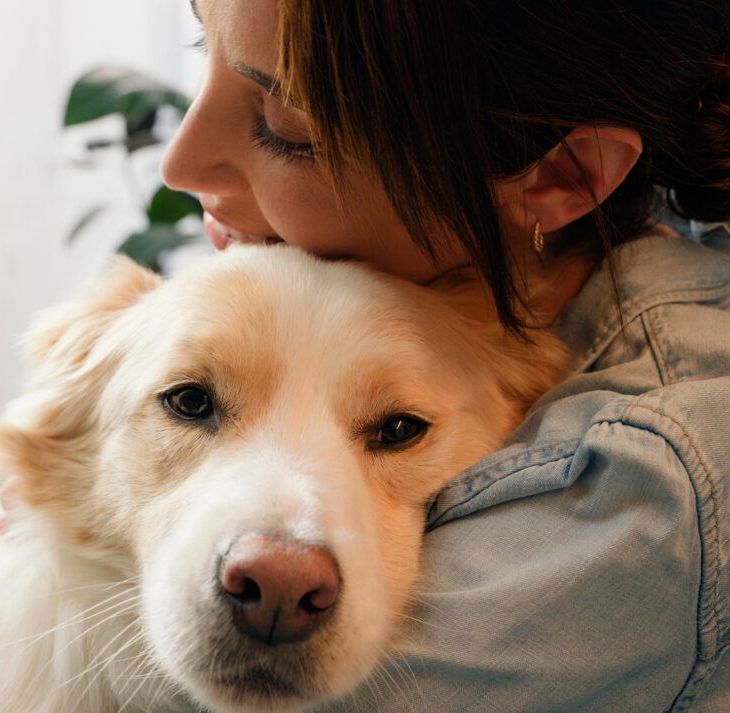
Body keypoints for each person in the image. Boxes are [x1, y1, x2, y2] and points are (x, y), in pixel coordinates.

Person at [155, 0, 730, 710]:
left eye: (288, 128)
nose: (180, 164)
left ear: (562, 178)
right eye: (200, 43)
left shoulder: (637, 485)